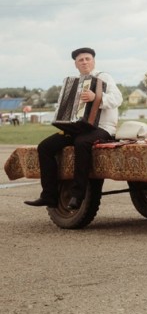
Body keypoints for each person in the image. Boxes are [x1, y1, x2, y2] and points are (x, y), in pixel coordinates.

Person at [25, 48, 123, 210]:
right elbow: (66, 106)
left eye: (87, 59)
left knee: (81, 142)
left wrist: (96, 98)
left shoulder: (104, 77)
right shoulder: (74, 82)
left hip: (103, 127)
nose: (84, 62)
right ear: (76, 64)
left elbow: (117, 99)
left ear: (94, 61)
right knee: (45, 147)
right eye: (81, 60)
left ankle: (77, 195)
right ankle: (49, 195)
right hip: (79, 127)